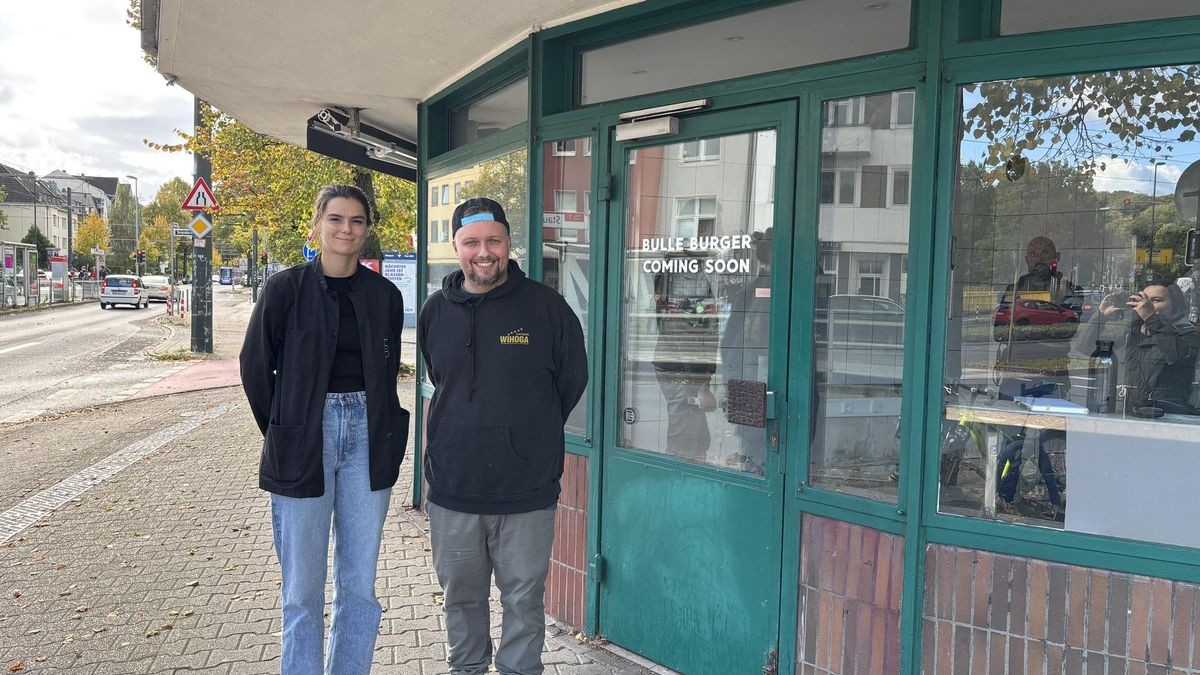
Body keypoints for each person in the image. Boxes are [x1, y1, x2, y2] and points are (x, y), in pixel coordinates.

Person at [240, 184, 410, 674]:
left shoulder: (385, 296)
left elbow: (385, 370)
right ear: (317, 225)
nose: (346, 229)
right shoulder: (284, 290)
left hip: (367, 436)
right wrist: (286, 428)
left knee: (359, 585)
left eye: (357, 221)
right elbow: (255, 368)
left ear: (367, 230)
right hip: (303, 439)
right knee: (301, 591)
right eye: (336, 219)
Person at [418, 197, 587, 675]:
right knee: (461, 601)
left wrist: (525, 435)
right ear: (456, 247)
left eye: (494, 240)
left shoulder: (546, 308)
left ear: (509, 244)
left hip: (527, 491)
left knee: (524, 604)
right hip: (453, 489)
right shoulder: (435, 311)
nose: (484, 251)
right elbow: (442, 378)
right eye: (471, 242)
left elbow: (571, 382)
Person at [1071, 278, 1200, 414]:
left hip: (1166, 415)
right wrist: (1101, 316)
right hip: (1124, 412)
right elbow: (1085, 347)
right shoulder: (1131, 332)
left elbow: (1177, 354)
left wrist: (1151, 318)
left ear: (1176, 305)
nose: (1147, 305)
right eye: (1144, 300)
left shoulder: (1187, 333)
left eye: (1156, 300)